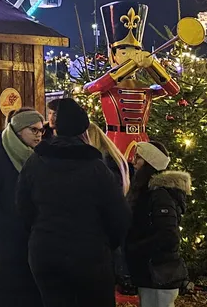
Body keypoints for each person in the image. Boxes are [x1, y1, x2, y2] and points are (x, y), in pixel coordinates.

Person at [17, 97, 131, 307]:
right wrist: (105, 244)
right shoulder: (97, 168)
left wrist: (39, 234)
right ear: (83, 131)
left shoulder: (35, 162)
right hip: (90, 256)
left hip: (45, 254)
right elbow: (119, 216)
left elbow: (23, 208)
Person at [0, 108, 46, 307]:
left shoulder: (37, 158)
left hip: (33, 243)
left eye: (41, 131)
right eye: (33, 130)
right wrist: (10, 229)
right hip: (6, 247)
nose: (39, 135)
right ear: (18, 130)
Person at [125, 141, 191, 307]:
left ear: (150, 163)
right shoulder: (148, 192)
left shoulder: (160, 195)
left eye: (138, 158)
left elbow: (169, 236)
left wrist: (136, 248)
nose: (134, 162)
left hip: (159, 273)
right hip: (150, 272)